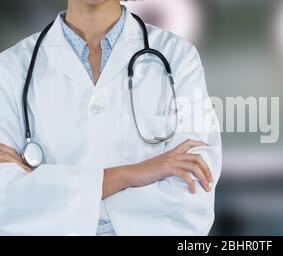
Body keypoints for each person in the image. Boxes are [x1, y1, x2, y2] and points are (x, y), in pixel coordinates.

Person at [0, 0, 221, 235]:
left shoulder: (179, 57)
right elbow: (6, 202)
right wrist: (132, 174)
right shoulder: (10, 68)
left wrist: (49, 190)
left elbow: (193, 192)